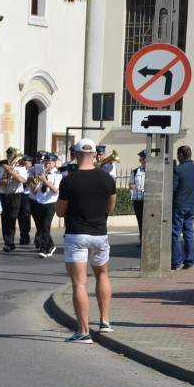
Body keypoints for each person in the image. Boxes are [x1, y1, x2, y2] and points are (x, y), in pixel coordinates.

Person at [56, 138, 117, 343]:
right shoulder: (107, 179)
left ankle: (83, 332)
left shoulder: (68, 180)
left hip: (76, 234)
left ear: (75, 154)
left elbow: (60, 212)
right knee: (102, 275)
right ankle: (105, 321)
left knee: (79, 283)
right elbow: (110, 207)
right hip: (100, 233)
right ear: (95, 155)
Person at [171, 145, 194, 270]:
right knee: (189, 233)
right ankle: (189, 261)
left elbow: (173, 187)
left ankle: (177, 262)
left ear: (181, 155)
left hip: (179, 205)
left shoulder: (178, 169)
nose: (177, 158)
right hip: (191, 204)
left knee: (175, 234)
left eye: (178, 155)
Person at [0, 148, 28, 252]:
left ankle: (10, 243)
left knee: (12, 218)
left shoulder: (21, 167)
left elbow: (21, 180)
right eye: (8, 155)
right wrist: (1, 181)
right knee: (4, 219)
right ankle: (7, 242)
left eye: (12, 155)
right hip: (3, 194)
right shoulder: (1, 167)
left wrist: (10, 171)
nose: (9, 157)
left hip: (15, 195)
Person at [33, 154, 62, 258]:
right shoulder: (41, 174)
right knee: (41, 227)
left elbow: (55, 190)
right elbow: (35, 191)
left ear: (54, 163)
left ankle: (44, 248)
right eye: (46, 163)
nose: (48, 165)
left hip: (51, 202)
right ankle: (51, 245)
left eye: (50, 163)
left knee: (46, 225)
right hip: (40, 201)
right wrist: (35, 183)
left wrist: (45, 180)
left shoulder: (58, 175)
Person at [129, 149, 146, 246]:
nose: (143, 161)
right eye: (141, 159)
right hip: (138, 199)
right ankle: (142, 240)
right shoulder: (136, 171)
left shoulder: (153, 172)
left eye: (144, 159)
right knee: (140, 220)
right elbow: (131, 182)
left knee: (148, 221)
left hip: (149, 199)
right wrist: (132, 186)